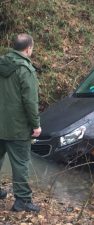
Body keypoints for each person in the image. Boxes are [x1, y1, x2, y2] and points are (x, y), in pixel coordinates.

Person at [0, 34, 41, 212]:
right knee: (21, 163)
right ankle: (22, 200)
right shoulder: (25, 69)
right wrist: (36, 125)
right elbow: (30, 102)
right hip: (17, 128)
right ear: (28, 49)